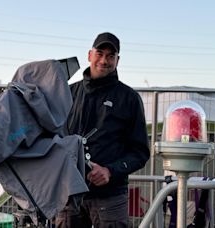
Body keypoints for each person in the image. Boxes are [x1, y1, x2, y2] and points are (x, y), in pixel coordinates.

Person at [56, 32, 150, 228]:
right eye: (100, 53)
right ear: (90, 55)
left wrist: (110, 171)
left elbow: (140, 152)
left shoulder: (129, 98)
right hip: (68, 194)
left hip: (110, 197)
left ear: (118, 60)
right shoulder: (67, 93)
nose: (104, 60)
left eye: (110, 56)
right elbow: (53, 138)